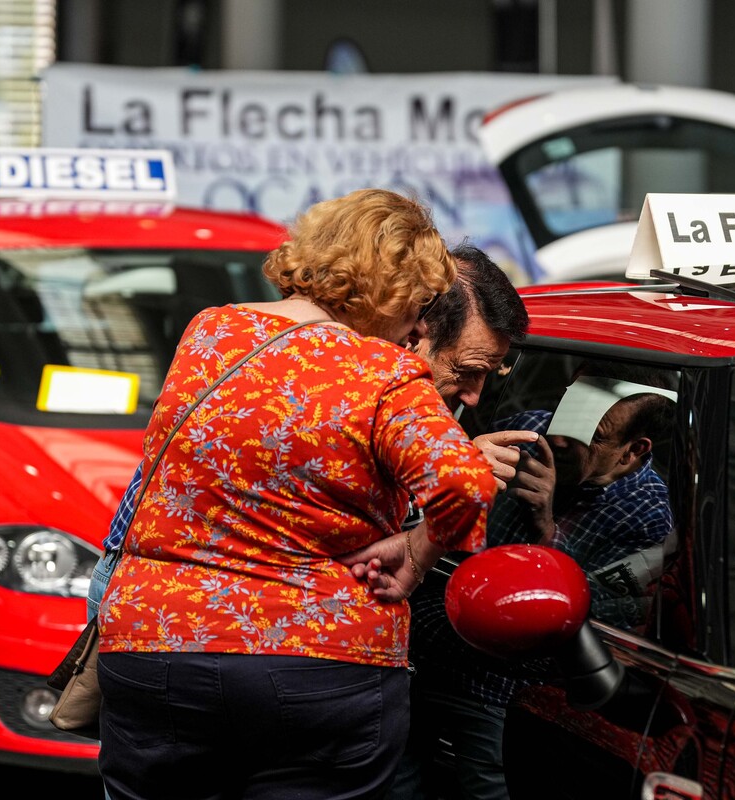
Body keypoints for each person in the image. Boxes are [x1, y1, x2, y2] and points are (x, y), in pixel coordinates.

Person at [93, 189, 498, 800]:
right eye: (417, 304)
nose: (417, 325)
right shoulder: (383, 372)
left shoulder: (210, 333)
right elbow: (464, 483)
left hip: (158, 647)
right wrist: (416, 554)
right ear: (389, 290)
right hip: (316, 664)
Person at [391, 365, 677, 800]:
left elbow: (596, 617)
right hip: (425, 651)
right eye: (566, 414)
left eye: (593, 434)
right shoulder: (527, 434)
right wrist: (462, 468)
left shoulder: (647, 514)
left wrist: (547, 528)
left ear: (631, 451)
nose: (559, 437)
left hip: (503, 684)